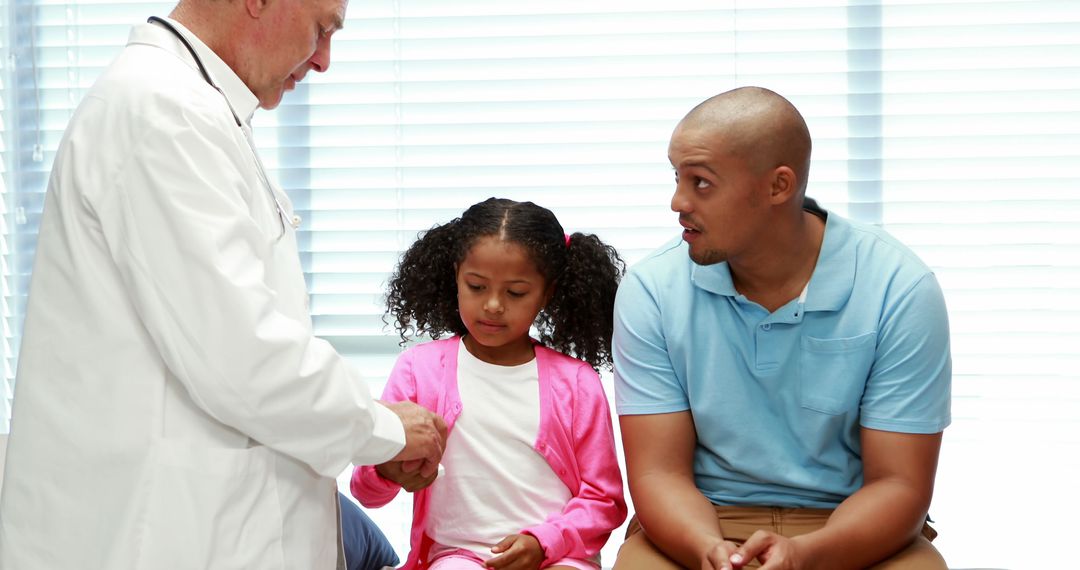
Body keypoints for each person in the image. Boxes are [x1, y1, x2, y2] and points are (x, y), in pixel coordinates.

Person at [0, 1, 447, 568]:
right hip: (162, 538)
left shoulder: (192, 109)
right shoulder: (162, 112)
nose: (325, 60)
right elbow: (245, 357)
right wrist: (383, 428)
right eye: (321, 28)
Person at [611, 87, 952, 570]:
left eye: (701, 182)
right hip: (700, 523)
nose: (677, 201)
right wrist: (710, 551)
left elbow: (899, 484)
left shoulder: (900, 287)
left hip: (849, 529)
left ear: (778, 186)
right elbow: (658, 474)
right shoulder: (651, 290)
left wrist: (806, 556)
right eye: (676, 177)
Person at [351, 198, 629, 570]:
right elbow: (365, 490)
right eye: (477, 286)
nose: (493, 305)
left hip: (559, 556)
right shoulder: (420, 369)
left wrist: (543, 543)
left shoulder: (577, 383)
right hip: (457, 556)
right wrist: (387, 469)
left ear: (547, 293)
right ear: (456, 276)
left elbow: (604, 501)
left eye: (515, 293)